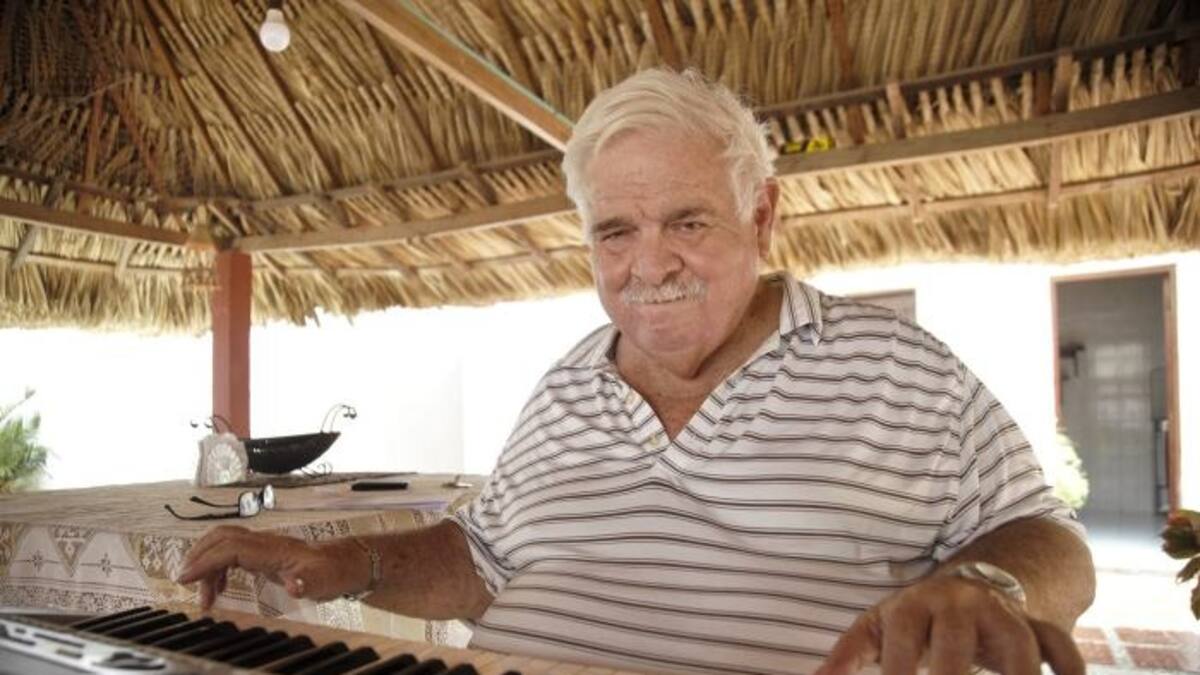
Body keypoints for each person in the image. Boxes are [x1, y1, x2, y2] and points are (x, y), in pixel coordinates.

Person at [179, 69, 1095, 675]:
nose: (648, 265)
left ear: (762, 216)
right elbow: (482, 558)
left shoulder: (897, 367)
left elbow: (1050, 540)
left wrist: (987, 587)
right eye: (615, 232)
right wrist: (347, 561)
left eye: (687, 222)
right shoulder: (564, 388)